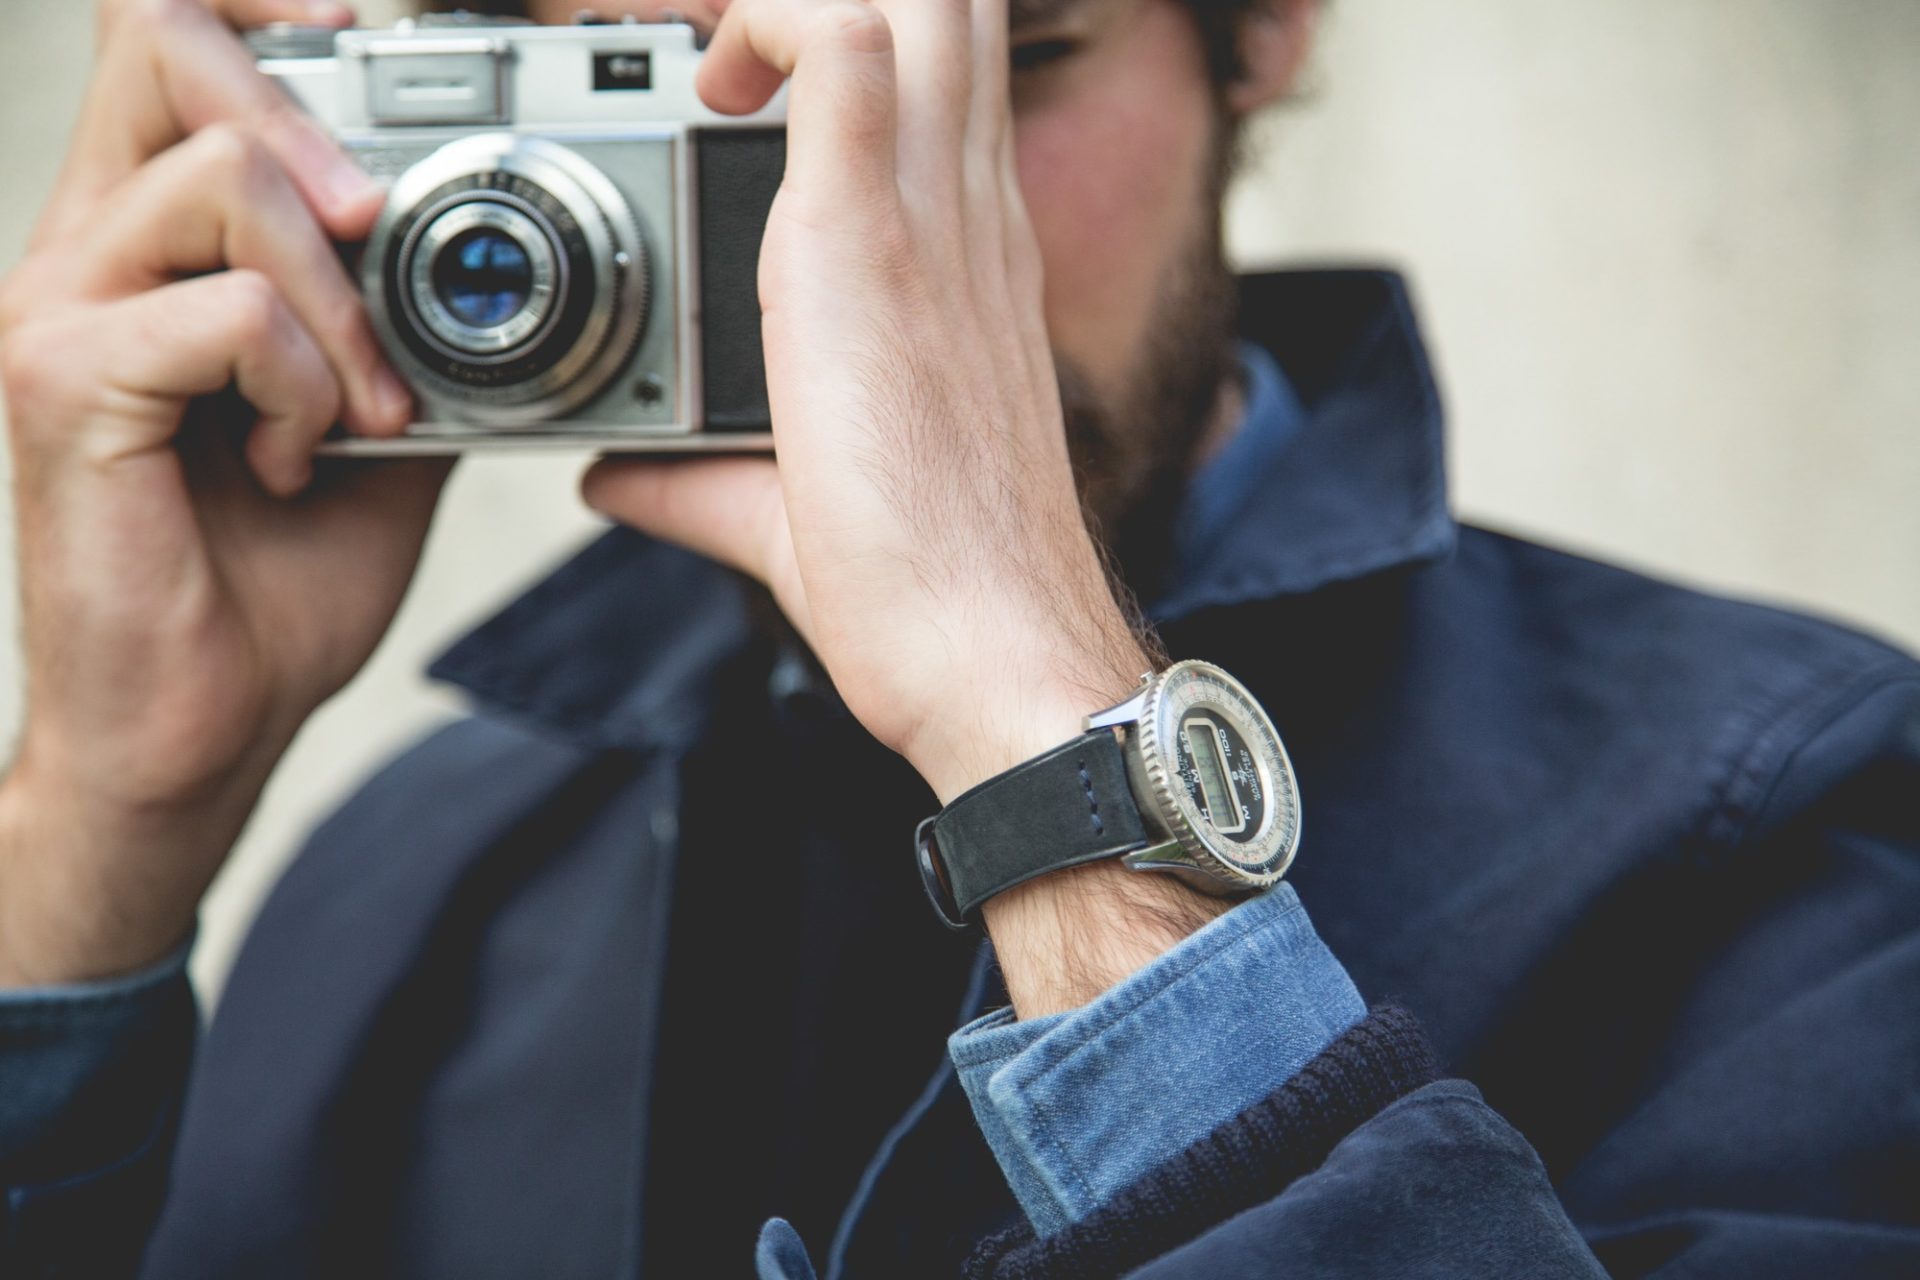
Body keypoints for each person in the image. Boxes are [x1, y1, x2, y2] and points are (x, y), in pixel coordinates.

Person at [0, 0, 1915, 1274]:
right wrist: (96, 825)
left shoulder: (1788, 818)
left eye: (1005, 60)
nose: (863, 224)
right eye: (714, 107)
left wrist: (1042, 719)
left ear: (1257, 42)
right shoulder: (400, 875)